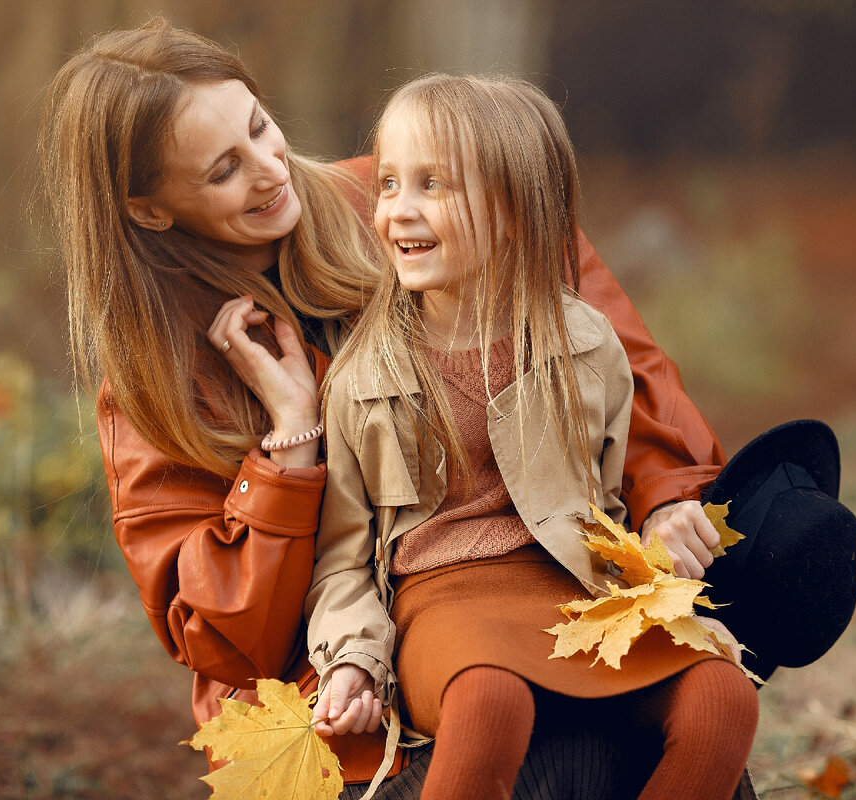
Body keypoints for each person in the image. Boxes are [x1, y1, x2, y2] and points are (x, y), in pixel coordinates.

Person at [39, 18, 769, 799]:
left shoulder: (392, 187)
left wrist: (666, 502)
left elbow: (604, 358)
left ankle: (765, 572)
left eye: (260, 125)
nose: (270, 169)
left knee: (707, 705)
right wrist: (290, 445)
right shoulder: (154, 384)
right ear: (149, 210)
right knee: (519, 744)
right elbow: (227, 639)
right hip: (345, 666)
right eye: (224, 170)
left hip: (551, 569)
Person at [304, 74, 759, 799]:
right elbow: (342, 560)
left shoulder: (584, 344)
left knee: (722, 699)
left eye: (433, 186)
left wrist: (662, 563)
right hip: (442, 605)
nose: (397, 211)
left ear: (515, 210)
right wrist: (352, 660)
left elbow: (607, 505)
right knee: (489, 702)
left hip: (576, 588)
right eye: (388, 184)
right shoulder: (363, 377)